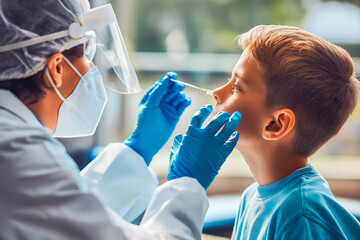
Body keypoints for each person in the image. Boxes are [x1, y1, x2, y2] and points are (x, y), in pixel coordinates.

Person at [0, 0, 241, 239]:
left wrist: (136, 149)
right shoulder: (20, 155)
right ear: (57, 68)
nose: (91, 66)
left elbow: (68, 216)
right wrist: (187, 183)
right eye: (87, 53)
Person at [168, 25, 360, 239]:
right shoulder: (252, 196)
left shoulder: (300, 215)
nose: (216, 93)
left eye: (237, 87)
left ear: (276, 125)